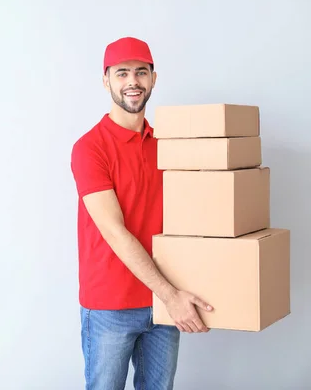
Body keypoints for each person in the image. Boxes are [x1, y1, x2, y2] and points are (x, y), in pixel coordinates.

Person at [69, 36, 214, 390]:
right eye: (121, 74)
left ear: (153, 78)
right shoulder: (90, 148)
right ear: (106, 81)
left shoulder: (168, 145)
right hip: (111, 305)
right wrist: (171, 295)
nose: (132, 82)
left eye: (140, 72)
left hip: (164, 304)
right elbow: (115, 232)